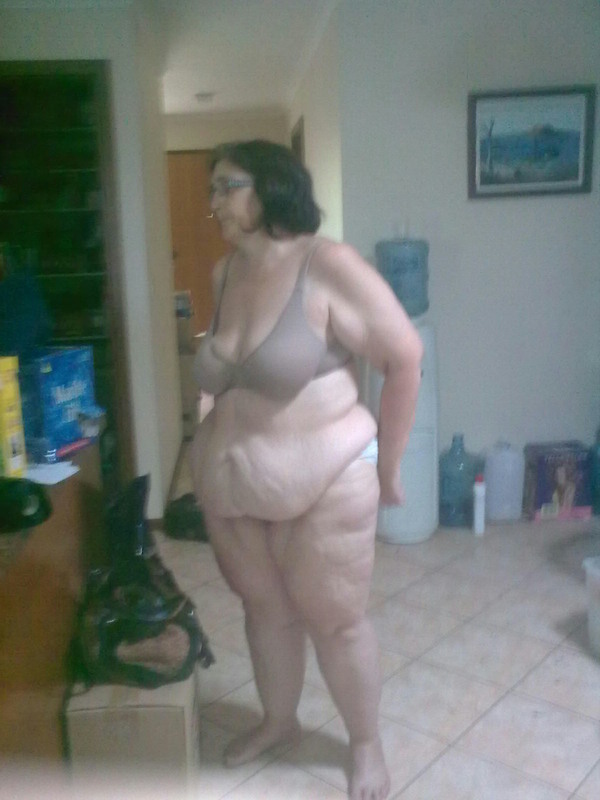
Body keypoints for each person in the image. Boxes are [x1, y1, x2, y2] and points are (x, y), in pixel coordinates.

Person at [191, 139, 423, 800]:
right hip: (232, 489)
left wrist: (391, 467)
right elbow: (222, 376)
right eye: (211, 190)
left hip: (327, 479)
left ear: (272, 186)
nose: (214, 203)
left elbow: (404, 357)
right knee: (263, 611)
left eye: (227, 186)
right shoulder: (225, 273)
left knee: (336, 621)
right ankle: (279, 721)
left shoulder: (328, 265)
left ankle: (366, 745)